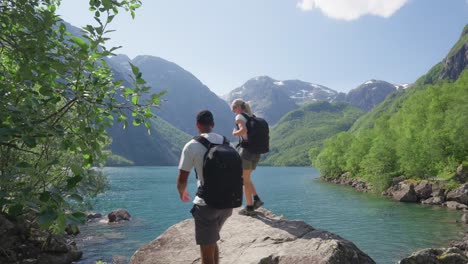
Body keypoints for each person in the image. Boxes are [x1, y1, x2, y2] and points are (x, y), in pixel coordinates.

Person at [176, 110, 233, 264]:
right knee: (211, 240)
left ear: (197, 125)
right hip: (227, 204)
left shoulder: (191, 146)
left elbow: (182, 179)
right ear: (213, 125)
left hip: (206, 205)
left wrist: (182, 193)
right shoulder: (227, 143)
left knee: (206, 252)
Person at [231, 98, 264, 216]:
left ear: (239, 107)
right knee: (247, 178)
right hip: (256, 152)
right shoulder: (252, 116)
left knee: (244, 180)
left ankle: (250, 208)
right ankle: (256, 199)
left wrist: (235, 133)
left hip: (246, 152)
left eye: (234, 108)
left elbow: (243, 130)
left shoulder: (239, 117)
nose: (233, 111)